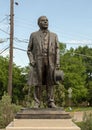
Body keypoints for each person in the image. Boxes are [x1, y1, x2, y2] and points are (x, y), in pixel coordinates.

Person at [27, 16, 60, 108]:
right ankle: (37, 102)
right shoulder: (33, 35)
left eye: (47, 20)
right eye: (43, 21)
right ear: (39, 23)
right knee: (38, 82)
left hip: (51, 62)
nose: (45, 22)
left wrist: (57, 62)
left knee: (51, 82)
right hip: (38, 62)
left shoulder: (54, 35)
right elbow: (29, 50)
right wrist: (32, 60)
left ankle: (50, 101)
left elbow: (57, 49)